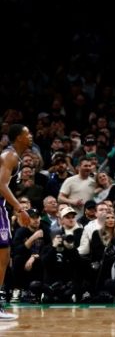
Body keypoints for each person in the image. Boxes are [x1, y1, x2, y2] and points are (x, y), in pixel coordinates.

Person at [0, 124, 33, 320]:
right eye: (27, 134)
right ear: (18, 137)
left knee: (3, 256)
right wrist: (20, 208)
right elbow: (1, 185)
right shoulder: (10, 155)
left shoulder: (14, 157)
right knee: (3, 256)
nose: (30, 137)